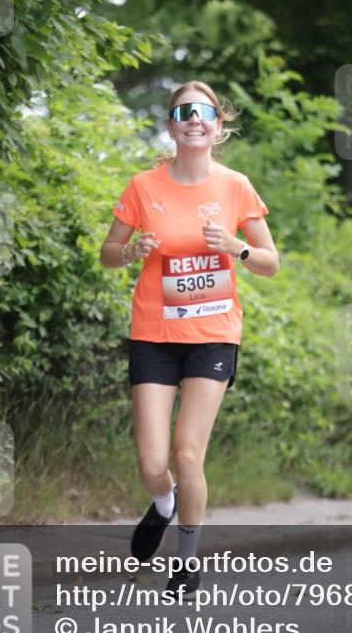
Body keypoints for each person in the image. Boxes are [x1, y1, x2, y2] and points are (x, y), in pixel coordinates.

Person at [99, 80, 279, 598]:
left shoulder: (235, 186)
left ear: (217, 125)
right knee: (152, 465)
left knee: (187, 454)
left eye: (203, 111)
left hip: (213, 335)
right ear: (171, 126)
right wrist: (131, 251)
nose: (193, 119)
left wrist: (237, 248)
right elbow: (108, 253)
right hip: (154, 334)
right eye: (183, 112)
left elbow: (269, 262)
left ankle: (186, 563)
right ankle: (163, 503)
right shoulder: (143, 186)